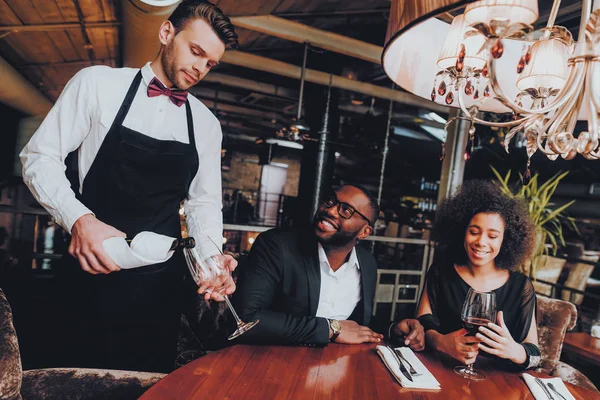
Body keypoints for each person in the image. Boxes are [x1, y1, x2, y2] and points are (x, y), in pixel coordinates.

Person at [20, 0, 238, 372]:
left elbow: (203, 204)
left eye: (210, 63)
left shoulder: (206, 124)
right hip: (89, 268)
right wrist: (79, 220)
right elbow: (40, 157)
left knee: (145, 384)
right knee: (72, 378)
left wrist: (211, 260)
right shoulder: (97, 84)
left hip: (157, 288)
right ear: (166, 33)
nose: (200, 68)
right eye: (196, 52)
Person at [234, 184, 424, 349]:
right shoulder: (277, 245)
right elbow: (248, 320)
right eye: (330, 201)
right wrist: (331, 329)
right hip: (273, 363)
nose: (331, 210)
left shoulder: (366, 264)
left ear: (365, 231)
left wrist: (394, 329)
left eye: (346, 210)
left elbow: (355, 324)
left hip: (335, 367)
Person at [416, 180, 540, 370]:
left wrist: (514, 351)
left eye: (492, 236)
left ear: (506, 240)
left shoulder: (520, 287)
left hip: (498, 384)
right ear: (461, 232)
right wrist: (440, 342)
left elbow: (535, 355)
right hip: (440, 371)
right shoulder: (440, 272)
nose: (481, 242)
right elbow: (422, 323)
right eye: (474, 232)